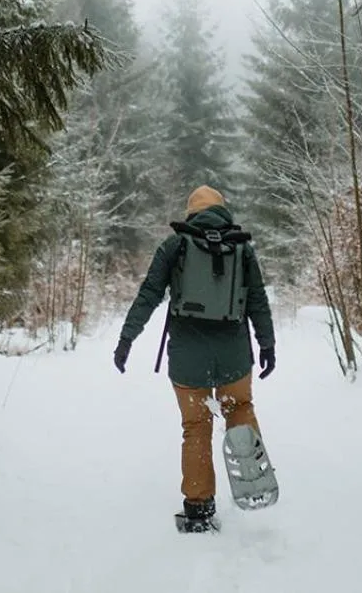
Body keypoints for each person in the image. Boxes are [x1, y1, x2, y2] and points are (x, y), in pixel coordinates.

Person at [113, 185, 276, 532]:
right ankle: (254, 479)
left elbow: (149, 294)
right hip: (234, 355)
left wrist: (126, 338)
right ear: (223, 211)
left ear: (192, 213)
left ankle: (199, 509)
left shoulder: (175, 245)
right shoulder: (242, 248)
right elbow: (258, 300)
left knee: (197, 426)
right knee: (240, 409)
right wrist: (267, 345)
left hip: (188, 358)